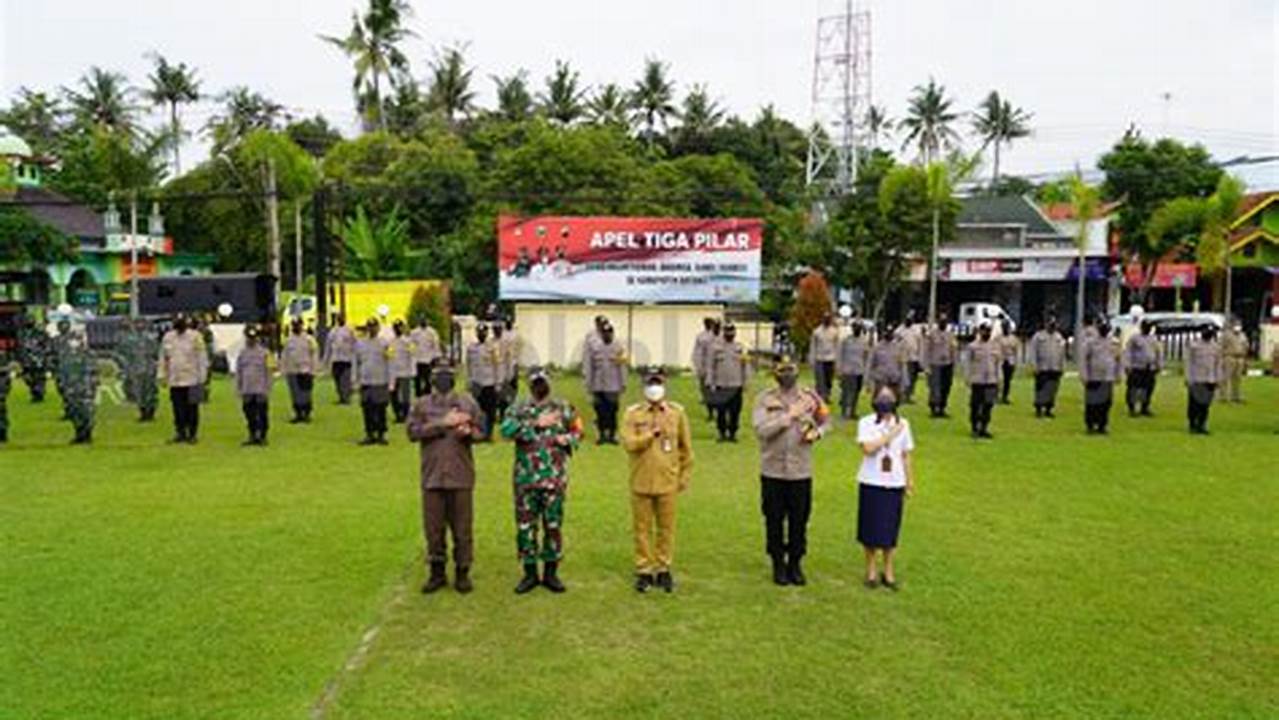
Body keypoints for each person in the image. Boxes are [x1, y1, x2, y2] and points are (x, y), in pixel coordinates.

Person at [500, 367, 583, 594]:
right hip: (525, 479)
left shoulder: (563, 407)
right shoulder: (519, 408)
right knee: (526, 527)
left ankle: (550, 573)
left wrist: (565, 438)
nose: (539, 386)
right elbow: (505, 429)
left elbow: (578, 431)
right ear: (529, 385)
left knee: (553, 525)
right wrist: (536, 423)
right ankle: (529, 574)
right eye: (535, 382)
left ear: (549, 383)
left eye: (543, 382)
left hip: (554, 479)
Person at [407, 362, 485, 594]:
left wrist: (469, 433)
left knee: (462, 528)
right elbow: (412, 432)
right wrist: (442, 424)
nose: (443, 380)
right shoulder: (421, 405)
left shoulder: (467, 403)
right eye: (438, 376)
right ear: (432, 380)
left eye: (447, 376)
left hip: (460, 475)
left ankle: (463, 571)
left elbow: (482, 432)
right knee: (433, 528)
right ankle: (437, 572)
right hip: (432, 476)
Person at [752, 356, 830, 586]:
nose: (787, 374)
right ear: (776, 374)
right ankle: (778, 563)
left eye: (791, 370)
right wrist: (790, 416)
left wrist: (819, 433)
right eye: (782, 371)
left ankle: (795, 563)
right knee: (773, 519)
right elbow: (761, 430)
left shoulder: (809, 397)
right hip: (773, 471)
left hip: (800, 471)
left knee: (799, 520)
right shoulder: (765, 399)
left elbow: (826, 420)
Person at [621, 367, 694, 594]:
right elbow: (629, 444)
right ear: (644, 387)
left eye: (658, 383)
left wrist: (684, 476)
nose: (654, 388)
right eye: (651, 383)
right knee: (642, 528)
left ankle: (663, 568)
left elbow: (686, 449)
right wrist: (649, 435)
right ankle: (644, 569)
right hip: (641, 480)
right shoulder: (633, 414)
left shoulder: (676, 413)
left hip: (667, 481)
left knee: (666, 528)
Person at [856, 387, 916, 590]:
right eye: (881, 397)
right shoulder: (865, 422)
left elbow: (906, 454)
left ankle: (888, 570)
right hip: (871, 480)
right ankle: (871, 569)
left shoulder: (904, 424)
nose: (885, 401)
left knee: (890, 529)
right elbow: (868, 449)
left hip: (894, 482)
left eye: (889, 397)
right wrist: (890, 435)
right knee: (870, 528)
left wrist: (909, 481)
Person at [158, 314, 208, 444]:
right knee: (177, 408)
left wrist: (203, 377)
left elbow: (202, 358)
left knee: (192, 408)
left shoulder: (195, 337)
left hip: (193, 378)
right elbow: (163, 358)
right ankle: (180, 432)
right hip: (175, 379)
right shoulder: (168, 337)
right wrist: (162, 375)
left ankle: (192, 434)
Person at [584, 321, 627, 444]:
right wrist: (589, 383)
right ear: (601, 334)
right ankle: (602, 435)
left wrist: (623, 383)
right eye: (604, 333)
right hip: (598, 385)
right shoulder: (595, 348)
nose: (607, 336)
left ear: (613, 334)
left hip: (613, 386)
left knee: (612, 411)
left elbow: (622, 367)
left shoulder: (619, 348)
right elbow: (590, 367)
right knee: (600, 411)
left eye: (609, 333)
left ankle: (612, 435)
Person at [708, 322, 750, 442]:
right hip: (721, 385)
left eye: (732, 332)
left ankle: (732, 434)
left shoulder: (740, 348)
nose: (729, 334)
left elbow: (745, 366)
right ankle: (721, 433)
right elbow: (711, 366)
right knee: (721, 411)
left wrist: (745, 382)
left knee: (735, 412)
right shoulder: (716, 348)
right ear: (723, 333)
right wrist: (711, 383)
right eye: (727, 332)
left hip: (736, 385)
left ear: (735, 333)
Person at [354, 319, 392, 445]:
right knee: (367, 408)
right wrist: (355, 379)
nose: (372, 329)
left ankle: (381, 434)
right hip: (365, 380)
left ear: (378, 328)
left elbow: (391, 362)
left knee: (381, 408)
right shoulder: (360, 343)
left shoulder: (385, 343)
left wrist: (391, 381)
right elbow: (356, 362)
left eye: (374, 327)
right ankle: (369, 434)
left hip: (380, 380)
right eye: (370, 327)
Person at [1081, 319, 1120, 435]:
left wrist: (1118, 374)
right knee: (1092, 403)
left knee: (1106, 403)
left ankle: (1102, 425)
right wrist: (1084, 375)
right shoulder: (1090, 342)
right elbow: (1083, 360)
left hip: (1108, 377)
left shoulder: (1114, 342)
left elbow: (1118, 360)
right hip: (1094, 376)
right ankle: (1090, 425)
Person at [235, 326, 273, 446]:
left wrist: (268, 388)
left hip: (260, 388)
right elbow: (239, 371)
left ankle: (262, 435)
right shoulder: (242, 353)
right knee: (249, 413)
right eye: (249, 338)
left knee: (262, 413)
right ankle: (252, 435)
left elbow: (270, 371)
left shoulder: (265, 353)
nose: (251, 340)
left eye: (253, 338)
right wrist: (239, 388)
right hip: (247, 389)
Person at [963, 322, 1000, 439]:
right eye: (985, 331)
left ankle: (984, 428)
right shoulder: (972, 346)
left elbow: (998, 363)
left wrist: (999, 378)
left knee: (988, 405)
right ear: (980, 332)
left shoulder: (995, 346)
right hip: (977, 380)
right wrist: (968, 377)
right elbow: (967, 363)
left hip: (991, 380)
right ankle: (974, 427)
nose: (987, 333)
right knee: (975, 405)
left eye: (989, 331)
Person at [465, 323, 501, 440]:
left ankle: (488, 434)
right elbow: (469, 365)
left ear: (486, 333)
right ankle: (478, 434)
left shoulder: (492, 347)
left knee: (489, 411)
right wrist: (469, 381)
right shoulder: (471, 348)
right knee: (476, 410)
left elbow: (497, 366)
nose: (481, 334)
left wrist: (498, 383)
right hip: (476, 383)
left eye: (483, 332)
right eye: (479, 332)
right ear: (476, 334)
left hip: (489, 383)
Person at [61, 328, 97, 444]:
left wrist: (91, 387)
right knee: (74, 411)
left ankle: (87, 434)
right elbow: (63, 371)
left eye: (76, 339)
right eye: (72, 339)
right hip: (71, 388)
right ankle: (78, 433)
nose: (74, 342)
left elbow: (92, 372)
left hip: (84, 387)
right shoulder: (66, 355)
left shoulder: (88, 354)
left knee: (86, 412)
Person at [1185, 326, 1223, 434]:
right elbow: (1188, 363)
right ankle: (1192, 424)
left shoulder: (1216, 347)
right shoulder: (1194, 346)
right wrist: (1188, 378)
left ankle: (1202, 424)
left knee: (1205, 404)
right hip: (1196, 379)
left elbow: (1218, 364)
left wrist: (1218, 379)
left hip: (1209, 379)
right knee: (1194, 404)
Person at [282, 319, 319, 424]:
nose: (296, 327)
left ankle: (306, 414)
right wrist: (284, 370)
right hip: (292, 371)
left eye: (298, 325)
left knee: (305, 394)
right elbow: (284, 356)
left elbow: (314, 355)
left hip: (306, 370)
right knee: (295, 394)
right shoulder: (288, 340)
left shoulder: (309, 339)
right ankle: (298, 414)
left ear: (302, 326)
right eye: (294, 325)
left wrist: (314, 370)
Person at [1029, 316, 1066, 418]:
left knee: (1052, 389)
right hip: (1042, 368)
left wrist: (1062, 366)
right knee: (1041, 389)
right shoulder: (1038, 336)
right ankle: (1039, 409)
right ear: (1046, 324)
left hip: (1055, 368)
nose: (1052, 327)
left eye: (1054, 325)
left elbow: (1062, 353)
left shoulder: (1059, 337)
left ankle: (1048, 409)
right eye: (1050, 324)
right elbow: (1033, 352)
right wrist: (1034, 366)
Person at [922, 313, 958, 418]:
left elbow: (954, 350)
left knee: (946, 387)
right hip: (935, 364)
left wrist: (954, 364)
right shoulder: (932, 335)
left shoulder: (950, 335)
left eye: (945, 321)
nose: (943, 323)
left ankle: (942, 408)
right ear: (938, 323)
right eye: (941, 321)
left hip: (947, 364)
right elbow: (926, 351)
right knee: (935, 387)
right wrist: (926, 366)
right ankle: (934, 408)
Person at [1123, 320, 1161, 417]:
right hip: (1136, 367)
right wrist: (1127, 365)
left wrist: (1158, 365)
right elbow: (1128, 352)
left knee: (1147, 389)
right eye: (1146, 327)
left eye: (1149, 327)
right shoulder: (1134, 338)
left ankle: (1144, 407)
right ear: (1141, 327)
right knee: (1134, 389)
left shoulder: (1153, 339)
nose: (1147, 329)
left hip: (1149, 368)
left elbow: (1158, 352)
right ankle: (1132, 408)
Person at [836, 322, 870, 420]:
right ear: (852, 329)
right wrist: (839, 369)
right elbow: (840, 355)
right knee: (846, 392)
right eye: (855, 328)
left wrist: (866, 370)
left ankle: (852, 412)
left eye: (859, 328)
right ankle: (844, 413)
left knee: (856, 392)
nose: (857, 330)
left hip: (859, 370)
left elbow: (866, 356)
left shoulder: (864, 341)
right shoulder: (846, 341)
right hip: (847, 370)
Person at [324, 314, 358, 405]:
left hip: (346, 359)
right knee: (337, 379)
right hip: (336, 359)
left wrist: (355, 355)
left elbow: (355, 343)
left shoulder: (349, 330)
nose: (340, 319)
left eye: (342, 318)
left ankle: (346, 398)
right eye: (339, 318)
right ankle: (341, 397)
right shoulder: (333, 331)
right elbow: (328, 346)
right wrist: (326, 359)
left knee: (345, 379)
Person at [389, 320, 417, 423]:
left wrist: (413, 371)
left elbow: (413, 355)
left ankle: (405, 415)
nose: (398, 329)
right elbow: (389, 357)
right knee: (393, 394)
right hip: (394, 372)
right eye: (396, 327)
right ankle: (397, 414)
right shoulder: (391, 341)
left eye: (399, 327)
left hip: (405, 371)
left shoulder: (408, 341)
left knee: (405, 396)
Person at [16, 316, 50, 403]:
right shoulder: (21, 334)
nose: (29, 322)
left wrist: (44, 357)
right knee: (28, 379)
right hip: (26, 361)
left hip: (38, 360)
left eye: (31, 320)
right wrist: (19, 358)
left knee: (39, 378)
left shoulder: (40, 333)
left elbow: (47, 346)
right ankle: (35, 391)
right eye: (27, 320)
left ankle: (39, 395)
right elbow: (19, 347)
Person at [692, 317, 720, 421]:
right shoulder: (701, 337)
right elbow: (697, 353)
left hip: (716, 370)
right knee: (707, 392)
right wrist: (698, 367)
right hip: (705, 369)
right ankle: (711, 413)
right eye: (707, 323)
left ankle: (717, 412)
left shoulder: (719, 336)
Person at [868, 323, 905, 400]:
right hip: (881, 380)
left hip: (894, 380)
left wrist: (903, 382)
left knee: (894, 403)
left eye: (890, 332)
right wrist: (869, 381)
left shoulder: (898, 347)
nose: (889, 334)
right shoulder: (877, 347)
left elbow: (902, 365)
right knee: (879, 402)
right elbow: (871, 364)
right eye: (887, 332)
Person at [808, 313, 839, 403]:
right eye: (825, 318)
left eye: (828, 319)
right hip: (820, 358)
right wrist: (811, 359)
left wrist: (837, 359)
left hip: (831, 359)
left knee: (828, 380)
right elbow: (813, 346)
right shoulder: (817, 331)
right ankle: (820, 397)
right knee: (820, 380)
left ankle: (827, 395)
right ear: (822, 319)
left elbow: (837, 346)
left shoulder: (834, 331)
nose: (827, 320)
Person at [409, 318, 441, 398]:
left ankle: (428, 396)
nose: (424, 322)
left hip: (428, 360)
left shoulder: (432, 332)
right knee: (417, 380)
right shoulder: (414, 332)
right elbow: (411, 345)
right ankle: (418, 396)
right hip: (417, 360)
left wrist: (436, 357)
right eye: (422, 321)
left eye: (425, 321)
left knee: (428, 380)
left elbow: (436, 345)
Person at [1221, 319, 1248, 403]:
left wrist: (1245, 358)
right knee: (1226, 378)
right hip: (1229, 357)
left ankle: (1236, 396)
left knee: (1238, 378)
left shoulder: (1243, 335)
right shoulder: (1226, 335)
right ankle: (1224, 396)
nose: (1238, 327)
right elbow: (1221, 346)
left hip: (1240, 358)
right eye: (1236, 325)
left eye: (1239, 325)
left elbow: (1246, 346)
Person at [899, 316, 923, 404]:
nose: (908, 322)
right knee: (905, 377)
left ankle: (908, 396)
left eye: (910, 320)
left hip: (914, 358)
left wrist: (920, 357)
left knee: (912, 378)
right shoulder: (900, 331)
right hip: (903, 358)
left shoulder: (916, 331)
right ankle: (902, 396)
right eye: (907, 320)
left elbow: (919, 343)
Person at [499, 318, 521, 415]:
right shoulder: (502, 335)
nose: (508, 324)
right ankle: (502, 410)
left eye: (509, 322)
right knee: (503, 388)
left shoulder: (516, 335)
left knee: (513, 388)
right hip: (503, 365)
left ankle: (512, 408)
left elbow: (519, 348)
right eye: (506, 322)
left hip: (513, 363)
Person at [998, 320, 1020, 404]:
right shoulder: (998, 338)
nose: (1005, 329)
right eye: (1003, 327)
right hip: (1001, 361)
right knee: (999, 380)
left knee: (1007, 380)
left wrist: (1015, 362)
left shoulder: (1013, 338)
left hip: (1010, 361)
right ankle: (998, 396)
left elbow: (1016, 351)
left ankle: (1005, 396)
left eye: (1006, 327)